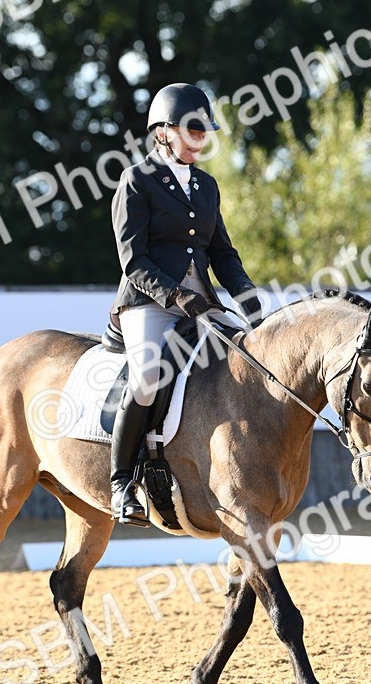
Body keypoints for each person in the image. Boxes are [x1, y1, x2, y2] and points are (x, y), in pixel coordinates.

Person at [109, 82, 261, 525]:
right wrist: (176, 295)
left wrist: (250, 302)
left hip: (203, 302)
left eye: (204, 131)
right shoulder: (136, 181)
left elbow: (222, 254)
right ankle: (121, 484)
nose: (200, 139)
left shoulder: (206, 185)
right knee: (147, 377)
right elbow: (132, 260)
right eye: (192, 130)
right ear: (163, 132)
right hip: (149, 303)